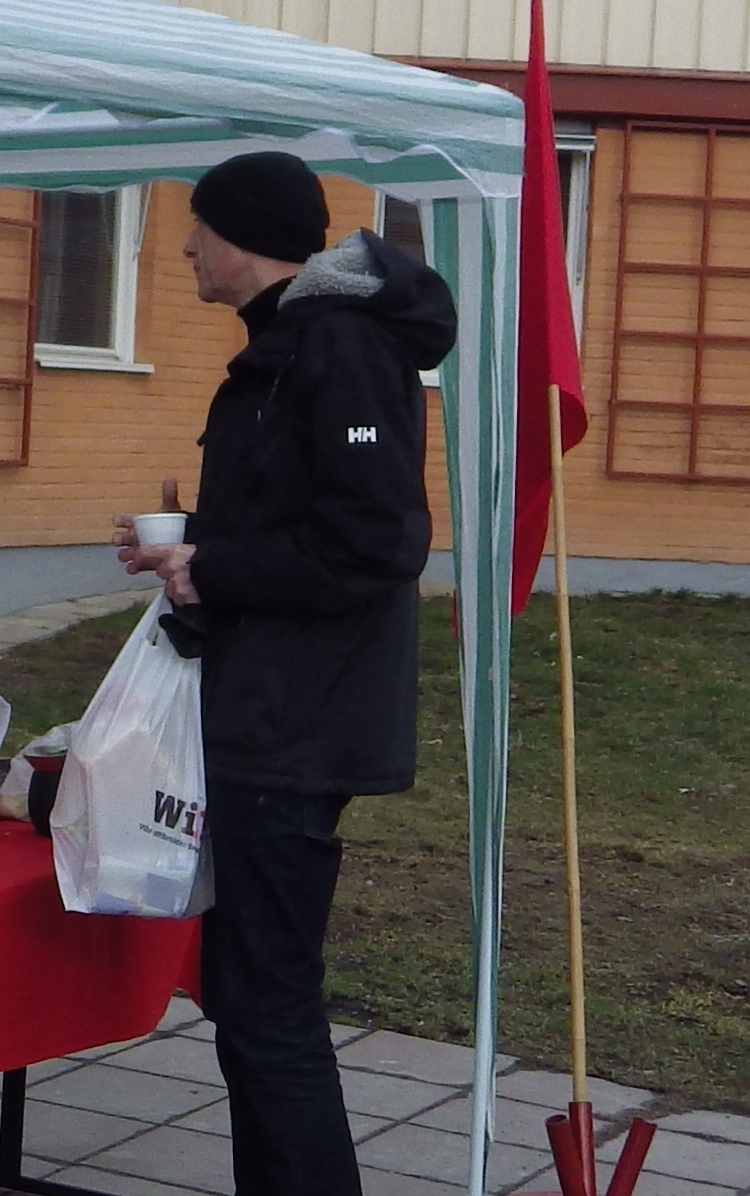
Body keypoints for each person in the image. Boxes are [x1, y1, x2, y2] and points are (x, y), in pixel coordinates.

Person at [115, 152, 451, 1196]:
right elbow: (305, 516)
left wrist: (213, 565)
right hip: (266, 710)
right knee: (252, 1002)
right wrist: (192, 548)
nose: (185, 249)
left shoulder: (339, 347)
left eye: (199, 228)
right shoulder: (291, 345)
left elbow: (376, 539)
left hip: (296, 724)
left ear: (243, 237)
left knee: (267, 1007)